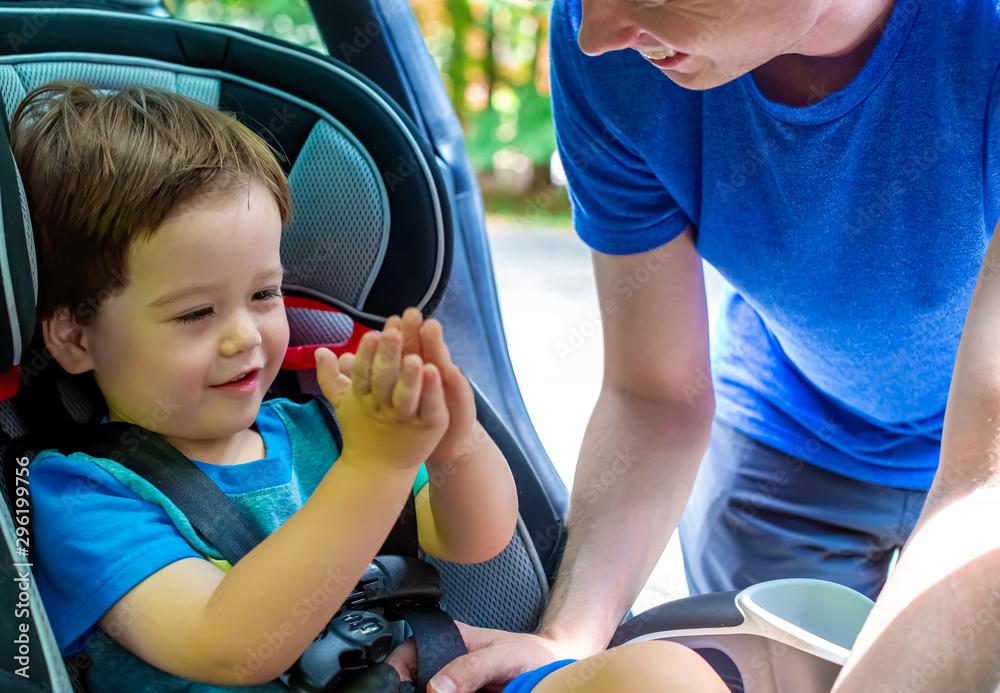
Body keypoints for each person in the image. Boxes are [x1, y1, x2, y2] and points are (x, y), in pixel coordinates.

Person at [12, 81, 736, 693]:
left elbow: (473, 543)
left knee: (669, 674)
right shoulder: (82, 495)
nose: (244, 336)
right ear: (74, 336)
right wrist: (376, 466)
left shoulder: (319, 429)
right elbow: (230, 640)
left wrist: (454, 448)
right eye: (197, 313)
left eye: (263, 294)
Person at [425, 0, 1000, 692]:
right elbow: (655, 394)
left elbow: (982, 477)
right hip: (791, 435)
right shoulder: (607, 48)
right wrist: (568, 639)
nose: (595, 37)